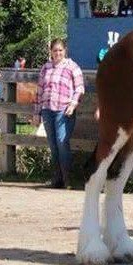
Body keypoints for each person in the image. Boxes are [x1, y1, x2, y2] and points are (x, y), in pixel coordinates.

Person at [33, 39, 84, 189]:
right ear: (51, 52)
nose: (58, 53)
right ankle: (57, 178)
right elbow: (40, 90)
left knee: (62, 143)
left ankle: (68, 179)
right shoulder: (46, 67)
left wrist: (74, 103)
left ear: (65, 51)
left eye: (60, 50)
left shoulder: (72, 66)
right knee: (53, 145)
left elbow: (80, 88)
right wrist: (37, 112)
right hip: (47, 108)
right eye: (55, 50)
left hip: (64, 109)